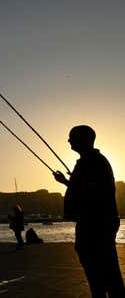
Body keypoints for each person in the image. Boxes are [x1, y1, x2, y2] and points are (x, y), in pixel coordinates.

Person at [53, 125, 125, 297]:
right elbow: (86, 186)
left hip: (96, 222)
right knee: (99, 267)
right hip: (94, 220)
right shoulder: (90, 160)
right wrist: (67, 182)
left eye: (72, 137)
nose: (69, 140)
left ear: (84, 139)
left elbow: (93, 189)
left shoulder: (93, 161)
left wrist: (68, 182)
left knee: (103, 268)